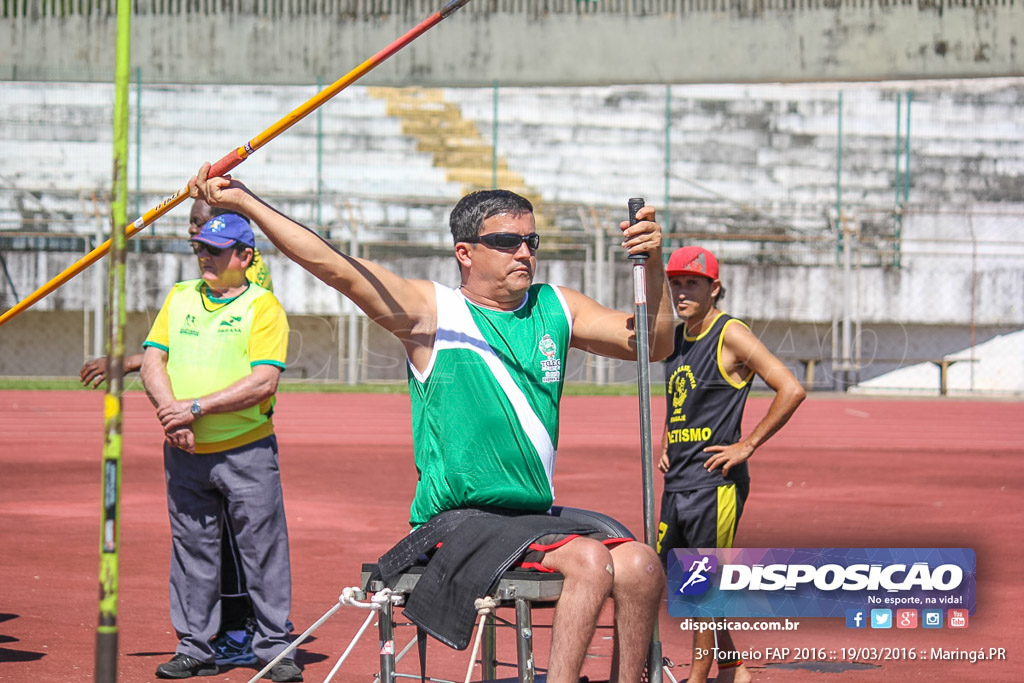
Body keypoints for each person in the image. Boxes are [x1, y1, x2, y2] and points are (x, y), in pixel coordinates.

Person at [189, 162, 675, 683]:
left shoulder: (557, 307)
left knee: (643, 565)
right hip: (457, 520)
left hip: (530, 518)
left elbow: (656, 342)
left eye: (531, 241)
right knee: (589, 560)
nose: (525, 252)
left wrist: (655, 264)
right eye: (509, 241)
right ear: (465, 252)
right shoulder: (431, 313)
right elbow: (336, 267)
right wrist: (246, 203)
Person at [79, 198, 268, 669]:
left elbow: (205, 342)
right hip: (189, 426)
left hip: (233, 428)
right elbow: (171, 348)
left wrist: (126, 363)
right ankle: (211, 633)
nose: (197, 236)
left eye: (205, 224)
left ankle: (242, 629)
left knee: (237, 539)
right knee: (202, 538)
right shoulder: (193, 286)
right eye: (192, 226)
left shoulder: (249, 278)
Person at [139, 212, 300, 681]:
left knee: (262, 551)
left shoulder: (262, 306)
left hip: (245, 451)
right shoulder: (180, 296)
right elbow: (153, 361)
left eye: (215, 249)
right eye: (200, 249)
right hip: (184, 450)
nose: (204, 257)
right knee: (192, 551)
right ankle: (195, 647)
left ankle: (274, 649)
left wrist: (195, 409)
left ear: (244, 256)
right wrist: (172, 413)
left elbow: (263, 382)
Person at [656, 246, 806, 683]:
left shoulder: (730, 334)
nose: (682, 291)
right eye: (676, 283)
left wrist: (748, 444)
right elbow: (682, 400)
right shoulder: (677, 338)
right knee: (684, 584)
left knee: (701, 587)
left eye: (692, 283)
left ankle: (699, 679)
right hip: (678, 480)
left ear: (714, 288)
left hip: (714, 485)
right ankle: (733, 667)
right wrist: (668, 438)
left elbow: (791, 388)